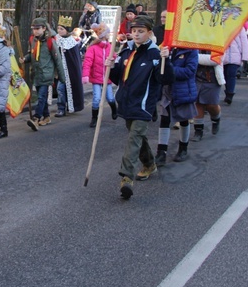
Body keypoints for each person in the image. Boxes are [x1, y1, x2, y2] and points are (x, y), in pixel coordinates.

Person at [108, 16, 171, 200]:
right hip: (127, 102)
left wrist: (165, 61)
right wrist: (110, 67)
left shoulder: (155, 54)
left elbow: (166, 79)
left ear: (149, 33)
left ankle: (126, 178)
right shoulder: (126, 50)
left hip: (144, 105)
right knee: (138, 137)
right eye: (134, 30)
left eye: (141, 31)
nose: (136, 34)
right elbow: (117, 76)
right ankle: (150, 163)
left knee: (134, 138)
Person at [155, 46, 198, 165]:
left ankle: (183, 148)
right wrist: (164, 59)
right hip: (167, 91)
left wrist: (169, 68)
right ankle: (161, 153)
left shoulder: (192, 51)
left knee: (184, 119)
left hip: (183, 91)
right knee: (164, 119)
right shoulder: (167, 48)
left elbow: (189, 71)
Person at [21, 17, 63, 129]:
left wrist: (62, 78)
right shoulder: (33, 40)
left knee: (41, 97)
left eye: (38, 28)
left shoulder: (50, 41)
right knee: (42, 97)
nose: (35, 31)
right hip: (36, 74)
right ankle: (47, 116)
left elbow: (58, 60)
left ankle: (36, 118)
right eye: (33, 29)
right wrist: (25, 59)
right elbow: (32, 54)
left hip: (47, 74)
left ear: (44, 28)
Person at [82, 22, 117, 128]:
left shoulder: (110, 47)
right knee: (96, 98)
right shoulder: (93, 48)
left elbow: (114, 58)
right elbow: (87, 62)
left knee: (110, 97)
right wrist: (86, 75)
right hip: (96, 77)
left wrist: (114, 62)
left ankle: (114, 109)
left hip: (107, 77)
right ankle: (94, 118)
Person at [54, 15, 84, 117]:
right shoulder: (56, 39)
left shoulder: (71, 42)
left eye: (61, 29)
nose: (59, 31)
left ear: (67, 30)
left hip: (69, 71)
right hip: (59, 70)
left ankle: (65, 107)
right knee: (60, 89)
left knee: (63, 89)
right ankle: (61, 108)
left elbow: (74, 60)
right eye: (58, 28)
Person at [190, 50, 224, 142]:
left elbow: (215, 60)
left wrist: (194, 56)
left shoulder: (218, 42)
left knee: (211, 105)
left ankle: (216, 119)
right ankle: (198, 131)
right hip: (196, 77)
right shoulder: (195, 43)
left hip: (212, 79)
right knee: (198, 104)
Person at [222, 27, 248, 105]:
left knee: (231, 74)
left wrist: (244, 57)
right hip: (223, 55)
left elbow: (244, 42)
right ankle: (227, 91)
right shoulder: (221, 25)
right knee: (225, 75)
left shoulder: (239, 27)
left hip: (235, 55)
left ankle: (230, 94)